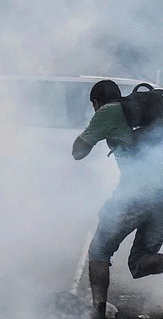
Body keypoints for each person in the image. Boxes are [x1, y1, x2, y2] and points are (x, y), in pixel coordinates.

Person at [72, 79, 163, 319]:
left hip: (136, 195)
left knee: (99, 251)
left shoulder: (108, 112)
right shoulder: (146, 114)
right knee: (139, 263)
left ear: (95, 103)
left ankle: (98, 313)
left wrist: (95, 130)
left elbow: (78, 152)